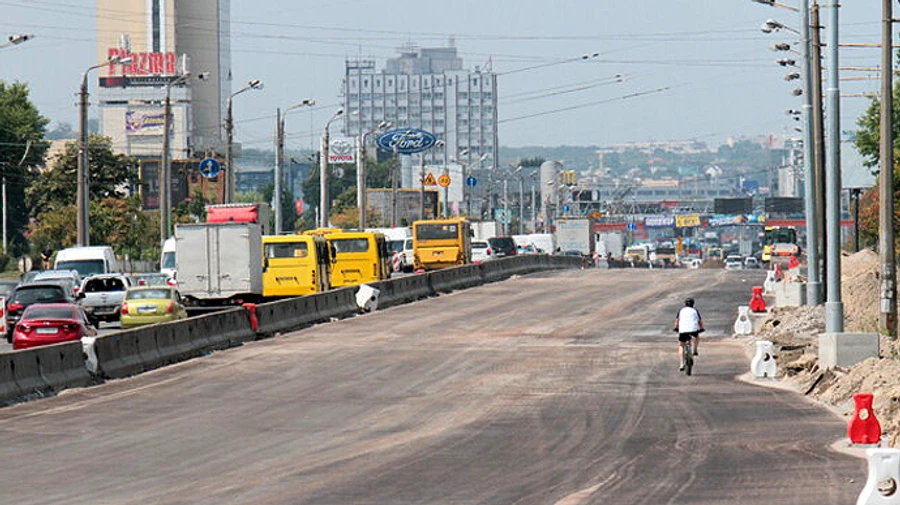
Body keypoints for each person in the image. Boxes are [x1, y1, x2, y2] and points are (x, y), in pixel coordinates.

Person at [673, 297, 704, 371]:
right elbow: (700, 321)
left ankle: (681, 363)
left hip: (683, 330)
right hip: (693, 329)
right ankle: (695, 350)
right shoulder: (695, 310)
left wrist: (676, 328)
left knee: (681, 345)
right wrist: (702, 328)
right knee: (697, 337)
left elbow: (677, 321)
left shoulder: (681, 310)